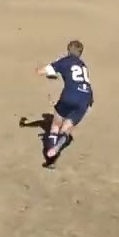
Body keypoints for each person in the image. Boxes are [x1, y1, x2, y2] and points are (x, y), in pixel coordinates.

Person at [36, 39, 94, 167]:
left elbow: (43, 71)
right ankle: (57, 148)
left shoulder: (65, 61)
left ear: (68, 50)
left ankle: (51, 158)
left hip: (70, 95)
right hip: (86, 98)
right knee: (66, 128)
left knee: (56, 124)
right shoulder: (83, 65)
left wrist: (37, 69)